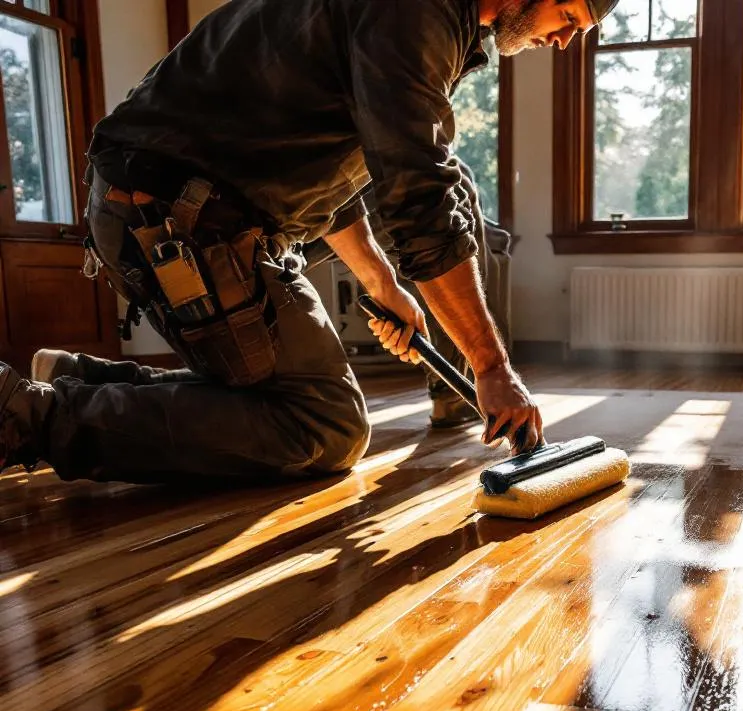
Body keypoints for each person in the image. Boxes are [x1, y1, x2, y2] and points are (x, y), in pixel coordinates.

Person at [0, 0, 618, 484]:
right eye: (567, 17)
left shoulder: (432, 20)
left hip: (204, 213)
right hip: (170, 214)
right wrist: (491, 366)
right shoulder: (416, 13)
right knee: (324, 422)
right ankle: (29, 417)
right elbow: (417, 198)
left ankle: (76, 380)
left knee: (300, 403)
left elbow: (327, 169)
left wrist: (383, 284)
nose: (565, 40)